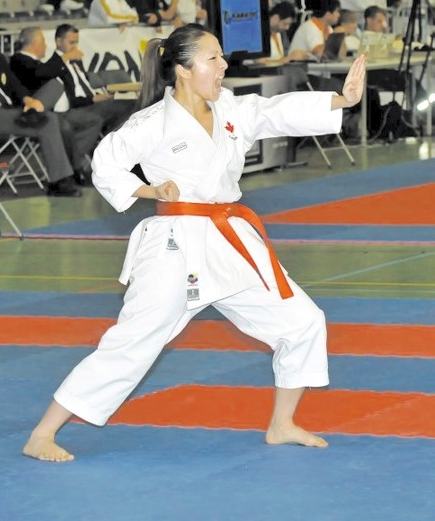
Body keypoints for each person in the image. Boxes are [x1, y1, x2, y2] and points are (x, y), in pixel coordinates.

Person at [22, 24, 365, 462]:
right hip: (175, 243)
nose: (223, 65)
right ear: (183, 70)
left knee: (303, 320)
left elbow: (275, 111)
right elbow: (106, 164)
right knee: (135, 340)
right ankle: (43, 434)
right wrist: (149, 191)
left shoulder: (229, 108)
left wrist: (340, 100)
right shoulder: (151, 122)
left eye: (221, 57)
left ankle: (282, 424)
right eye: (213, 58)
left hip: (228, 238)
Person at [0, 15, 81, 197]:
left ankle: (58, 182)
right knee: (48, 118)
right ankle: (60, 181)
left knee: (51, 106)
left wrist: (27, 100)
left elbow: (14, 84)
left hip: (10, 111)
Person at [9, 26, 105, 185]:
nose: (46, 46)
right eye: (43, 42)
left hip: (54, 111)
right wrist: (66, 56)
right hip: (39, 112)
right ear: (33, 42)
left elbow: (44, 71)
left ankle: (77, 164)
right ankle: (75, 169)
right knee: (64, 123)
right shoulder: (19, 60)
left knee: (90, 120)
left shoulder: (36, 63)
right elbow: (41, 73)